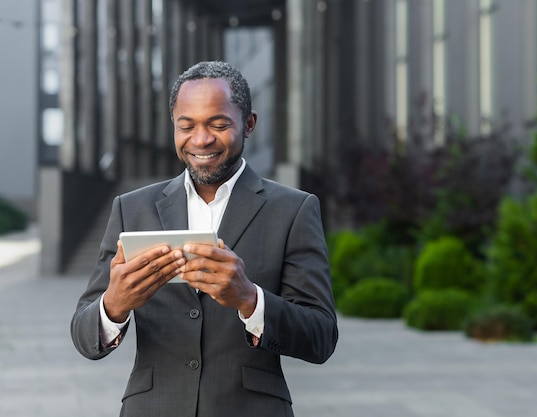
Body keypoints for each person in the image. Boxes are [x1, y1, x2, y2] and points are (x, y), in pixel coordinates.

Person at [70, 60, 338, 417]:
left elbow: (320, 337)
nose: (201, 139)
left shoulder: (293, 209)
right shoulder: (131, 209)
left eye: (218, 124)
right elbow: (84, 335)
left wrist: (250, 299)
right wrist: (114, 306)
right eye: (187, 126)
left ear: (249, 124)